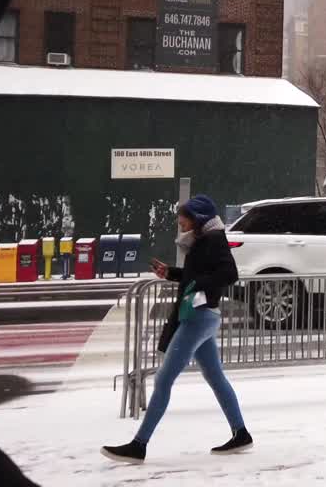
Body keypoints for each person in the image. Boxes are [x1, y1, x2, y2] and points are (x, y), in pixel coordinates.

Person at [101, 195, 252, 464]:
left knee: (163, 380)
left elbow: (230, 274)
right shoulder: (204, 241)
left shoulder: (213, 239)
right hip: (203, 316)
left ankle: (139, 445)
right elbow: (198, 273)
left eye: (183, 217)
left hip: (198, 317)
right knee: (215, 377)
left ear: (197, 218)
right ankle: (241, 434)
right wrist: (171, 273)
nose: (179, 221)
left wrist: (198, 285)